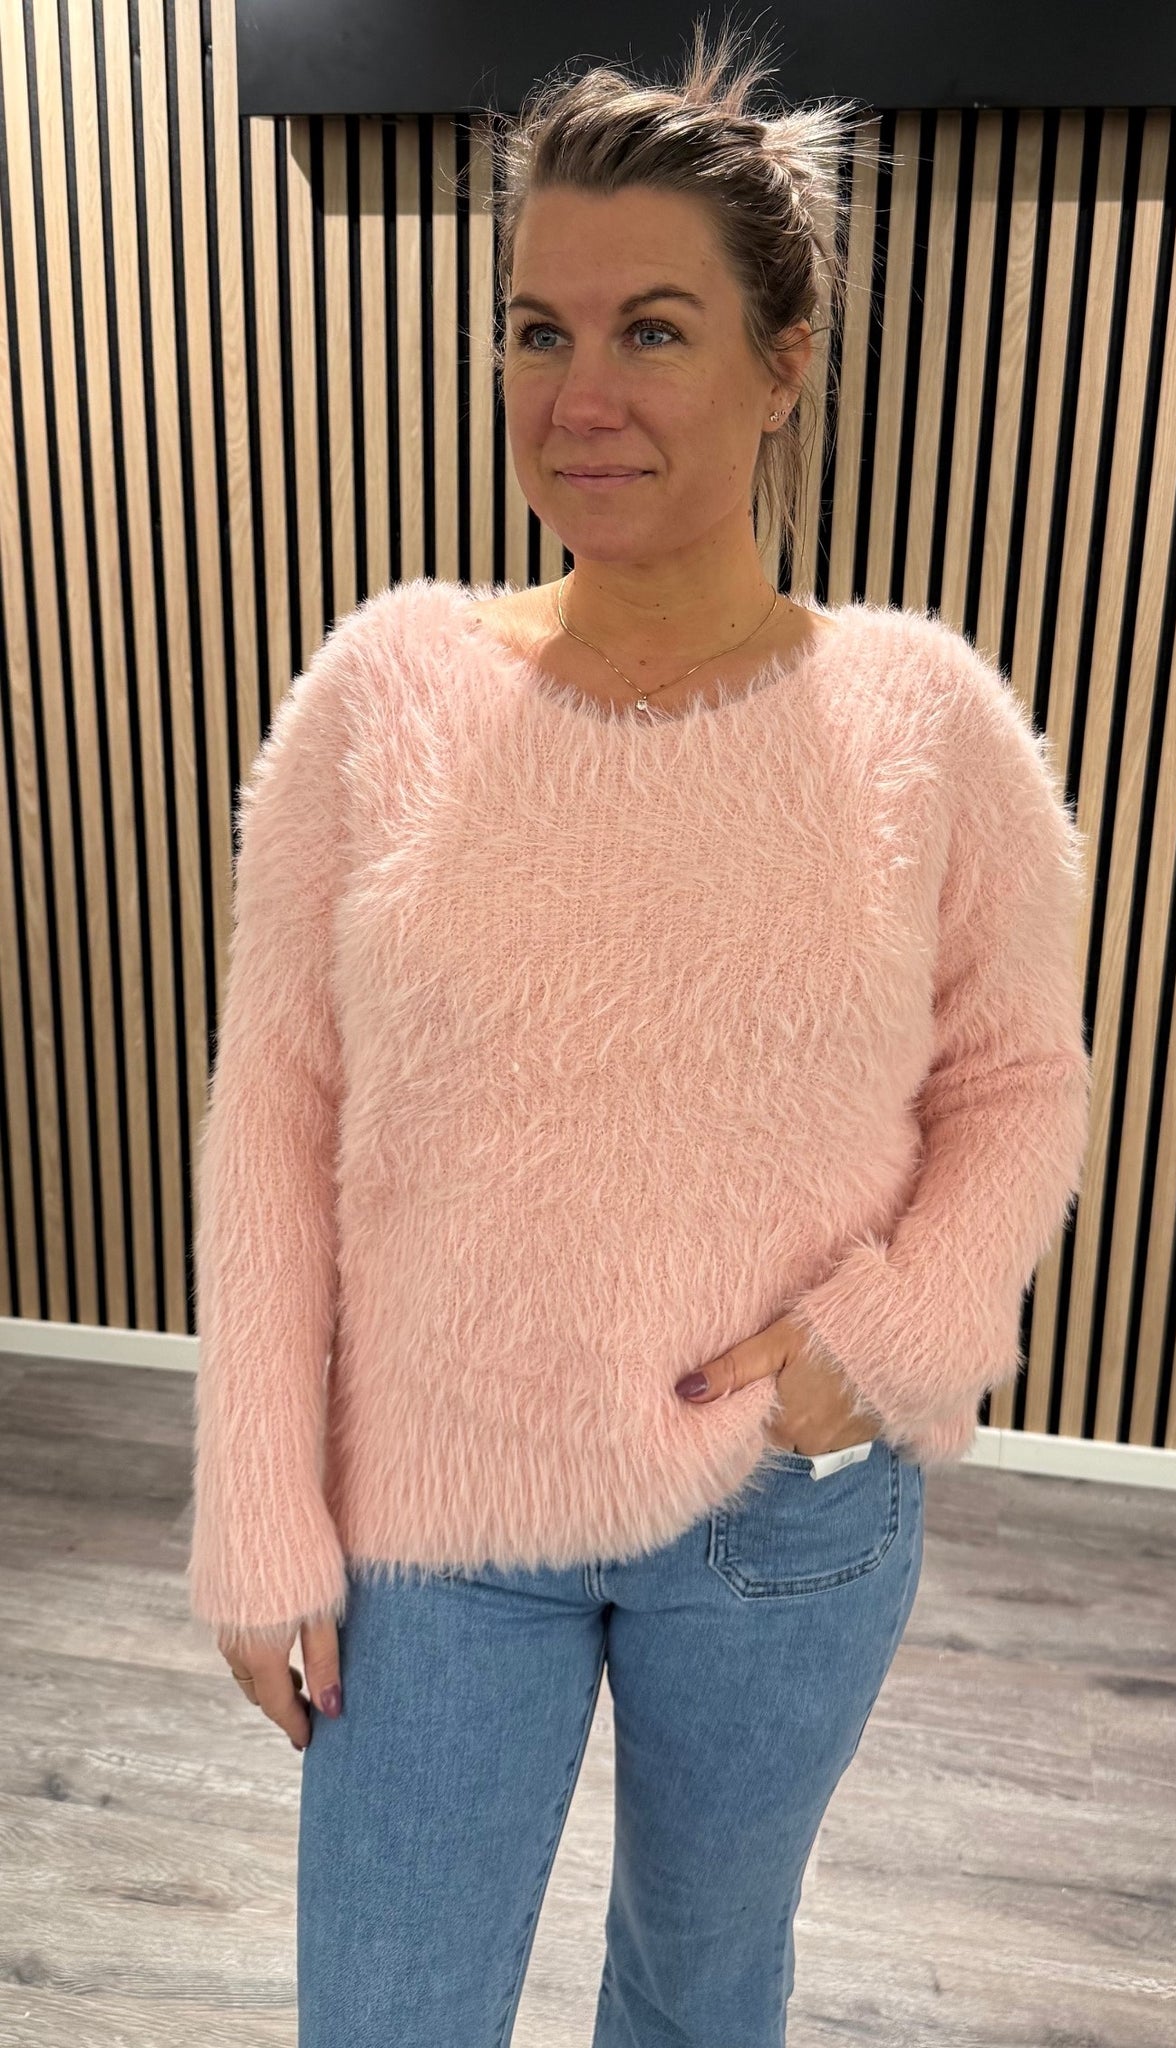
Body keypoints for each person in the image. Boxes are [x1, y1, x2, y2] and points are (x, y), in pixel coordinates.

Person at [186, 21, 1092, 2046]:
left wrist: (893, 1335)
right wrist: (258, 1503)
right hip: (431, 1512)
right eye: (537, 331)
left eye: (652, 331)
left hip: (779, 1509)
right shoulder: (385, 690)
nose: (575, 394)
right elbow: (274, 1116)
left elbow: (1017, 1081)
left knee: (700, 1991)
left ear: (786, 364)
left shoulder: (922, 721)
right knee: (387, 2013)